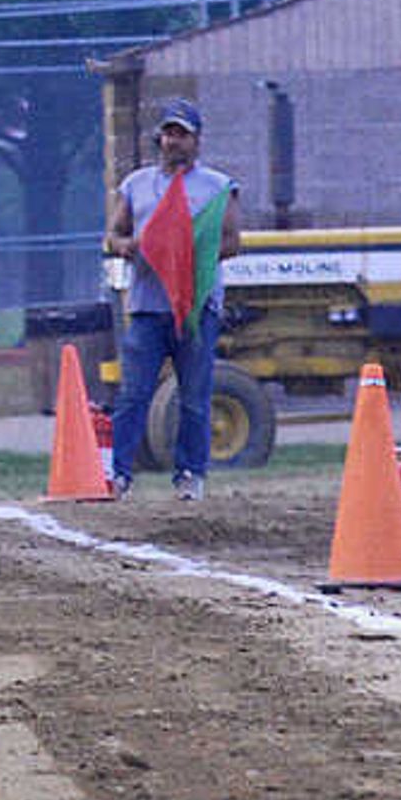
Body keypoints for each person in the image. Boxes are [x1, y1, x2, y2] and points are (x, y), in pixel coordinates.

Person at [103, 97, 242, 502]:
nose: (174, 141)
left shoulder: (219, 186)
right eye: (169, 133)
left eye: (182, 134)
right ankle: (120, 474)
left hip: (197, 308)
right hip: (148, 305)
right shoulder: (136, 185)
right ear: (158, 138)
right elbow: (114, 235)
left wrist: (186, 256)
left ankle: (190, 474)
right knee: (134, 393)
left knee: (195, 396)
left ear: (196, 141)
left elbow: (232, 242)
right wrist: (134, 247)